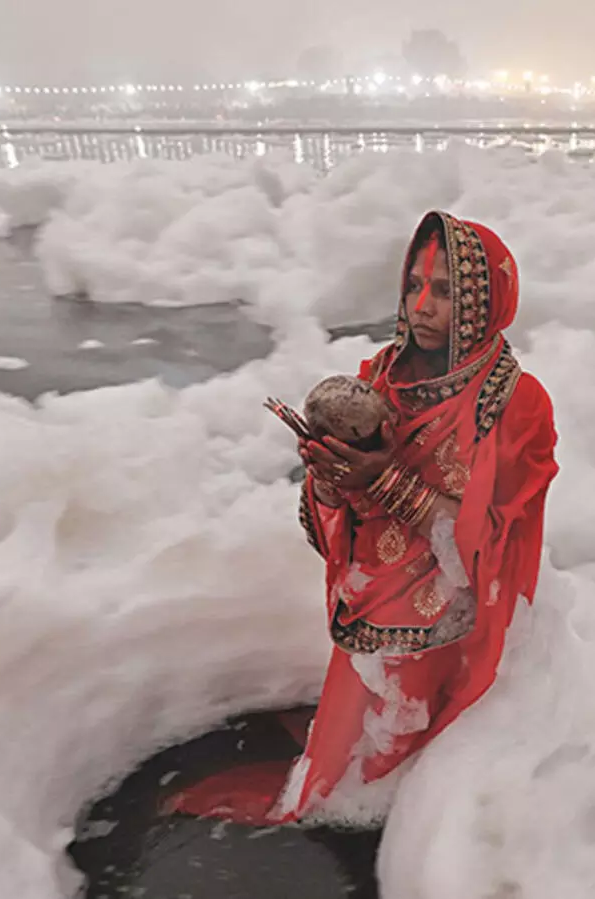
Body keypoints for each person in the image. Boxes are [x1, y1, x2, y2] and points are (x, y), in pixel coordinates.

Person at [165, 210, 559, 825]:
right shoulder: (379, 378)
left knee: (400, 762)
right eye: (415, 285)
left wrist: (385, 483)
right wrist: (328, 477)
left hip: (453, 620)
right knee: (339, 758)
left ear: (484, 303)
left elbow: (493, 543)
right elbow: (335, 527)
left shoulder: (515, 402)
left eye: (446, 291)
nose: (422, 306)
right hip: (371, 604)